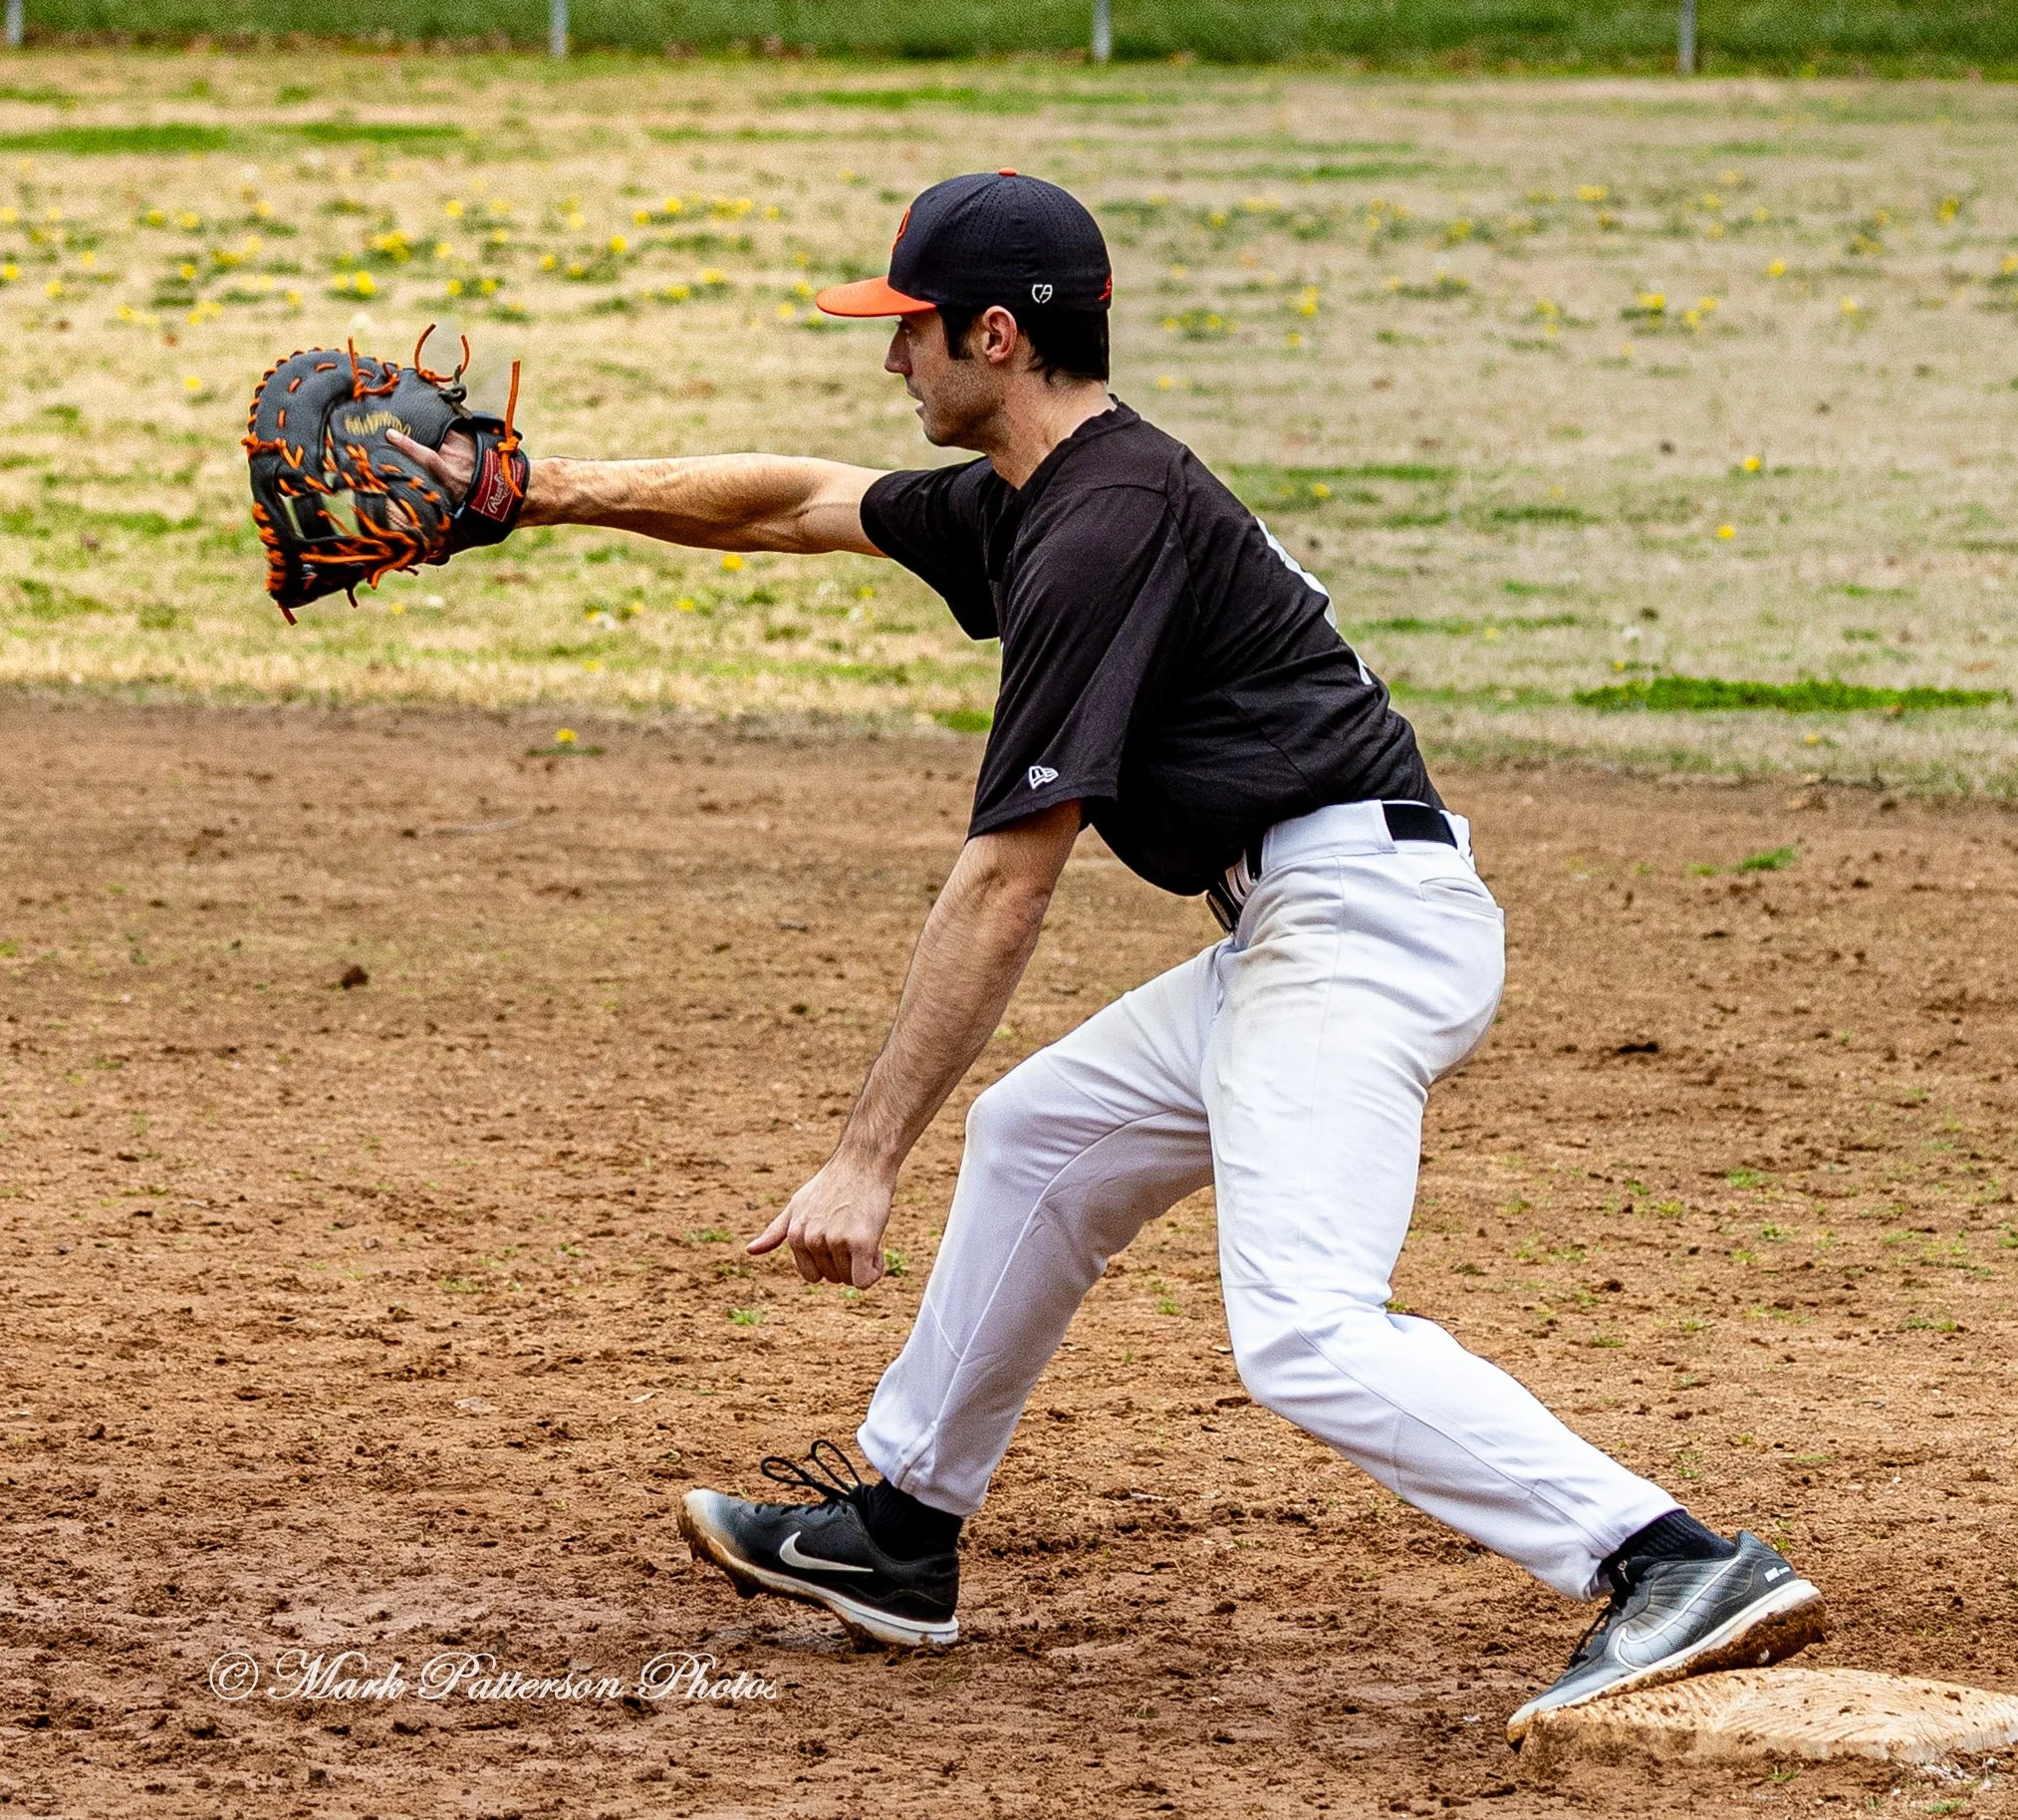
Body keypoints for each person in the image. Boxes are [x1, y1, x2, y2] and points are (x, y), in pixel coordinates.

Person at [388, 170, 1826, 1736]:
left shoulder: (1096, 532)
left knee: (1302, 1328)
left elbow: (1007, 878)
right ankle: (902, 1532)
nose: (892, 363)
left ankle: (1668, 1556)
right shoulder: (1047, 495)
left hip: (1357, 929)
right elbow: (798, 504)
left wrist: (865, 1155)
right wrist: (532, 491)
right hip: (1302, 919)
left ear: (994, 337)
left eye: (911, 332)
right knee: (1040, 1136)